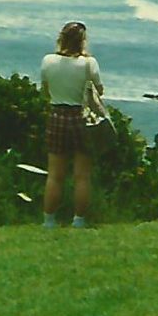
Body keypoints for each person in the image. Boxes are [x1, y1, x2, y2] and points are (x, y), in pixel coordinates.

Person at [40, 21, 103, 228]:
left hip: (57, 114)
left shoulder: (48, 61)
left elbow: (45, 90)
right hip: (80, 117)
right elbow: (99, 91)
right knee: (82, 175)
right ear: (82, 41)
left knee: (55, 174)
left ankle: (49, 220)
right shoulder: (88, 63)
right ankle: (79, 220)